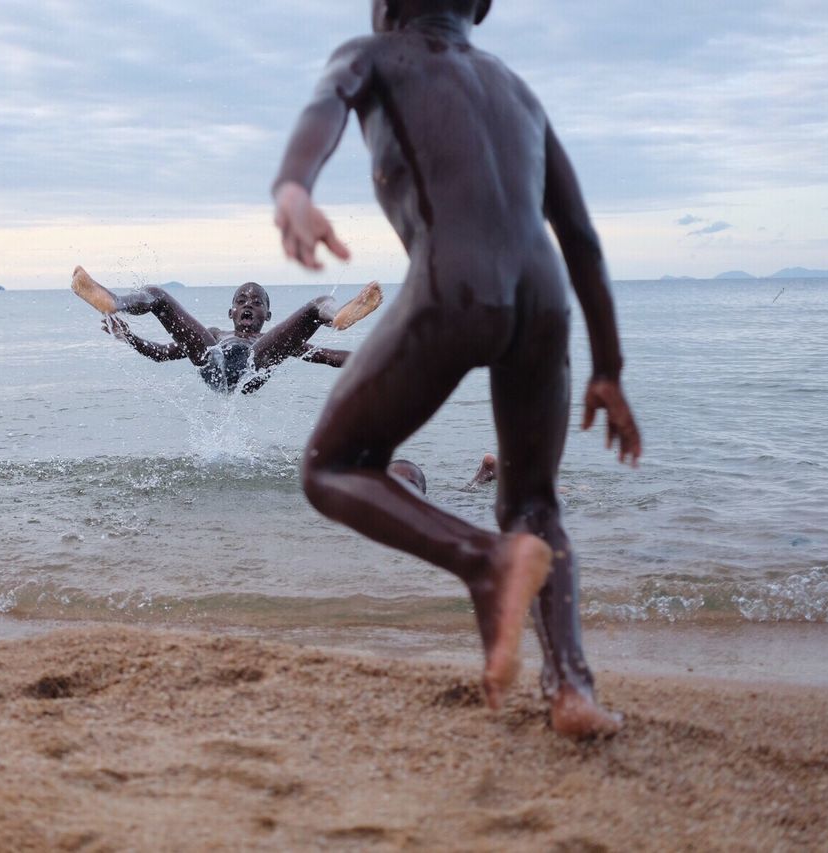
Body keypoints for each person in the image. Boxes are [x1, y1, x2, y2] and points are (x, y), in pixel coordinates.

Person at [272, 0, 641, 737]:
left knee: (331, 465)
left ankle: (482, 561)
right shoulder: (518, 90)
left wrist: (293, 186)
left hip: (455, 282)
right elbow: (581, 238)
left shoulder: (372, 54)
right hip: (545, 300)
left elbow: (324, 105)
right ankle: (572, 689)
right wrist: (608, 368)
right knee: (535, 501)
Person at [71, 266, 382, 394]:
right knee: (158, 294)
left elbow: (329, 357)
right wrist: (129, 337)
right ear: (231, 311)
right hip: (212, 362)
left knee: (318, 304)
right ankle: (115, 302)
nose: (248, 304)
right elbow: (163, 354)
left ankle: (337, 316)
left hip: (253, 365)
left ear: (268, 315)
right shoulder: (215, 334)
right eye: (241, 300)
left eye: (257, 302)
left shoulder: (270, 343)